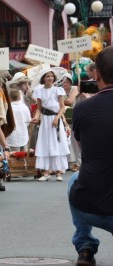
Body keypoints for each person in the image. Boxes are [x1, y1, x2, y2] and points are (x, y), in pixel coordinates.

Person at [68, 46, 113, 266]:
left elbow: (82, 144)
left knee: (74, 180)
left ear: (97, 74)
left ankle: (85, 247)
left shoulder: (82, 108)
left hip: (91, 206)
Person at [31, 68, 70, 181]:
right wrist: (36, 117)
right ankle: (46, 172)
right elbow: (39, 109)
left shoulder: (58, 90)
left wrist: (57, 119)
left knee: (57, 143)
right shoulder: (39, 91)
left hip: (55, 119)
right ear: (43, 78)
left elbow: (62, 108)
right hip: (45, 121)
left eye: (51, 76)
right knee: (45, 143)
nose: (50, 78)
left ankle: (58, 172)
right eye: (47, 76)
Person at [61, 73, 81, 172]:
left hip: (74, 116)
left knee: (75, 140)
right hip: (64, 119)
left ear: (71, 82)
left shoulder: (74, 89)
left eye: (67, 82)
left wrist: (59, 100)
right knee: (66, 141)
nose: (65, 84)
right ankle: (68, 162)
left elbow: (70, 101)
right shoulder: (60, 90)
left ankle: (77, 163)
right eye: (63, 82)